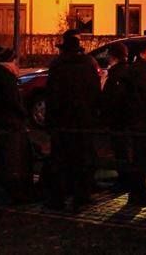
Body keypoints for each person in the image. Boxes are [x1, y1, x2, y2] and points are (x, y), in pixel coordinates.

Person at [46, 30, 100, 211]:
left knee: (60, 160)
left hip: (61, 119)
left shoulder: (57, 65)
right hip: (83, 119)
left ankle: (57, 198)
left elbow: (51, 94)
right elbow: (94, 92)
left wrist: (50, 119)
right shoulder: (87, 64)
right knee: (82, 159)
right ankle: (81, 196)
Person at [0, 45, 31, 203]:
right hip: (10, 123)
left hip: (1, 122)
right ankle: (14, 190)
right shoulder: (6, 76)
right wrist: (23, 114)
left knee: (3, 156)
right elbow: (12, 101)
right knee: (12, 157)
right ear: (11, 61)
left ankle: (1, 185)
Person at [124, 42, 146, 206]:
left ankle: (136, 193)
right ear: (142, 54)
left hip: (136, 119)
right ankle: (139, 193)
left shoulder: (134, 70)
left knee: (138, 157)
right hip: (143, 120)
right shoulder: (144, 72)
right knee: (141, 158)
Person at [101, 41, 133, 194]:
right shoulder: (126, 71)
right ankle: (125, 179)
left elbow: (112, 98)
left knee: (121, 151)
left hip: (118, 119)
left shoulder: (117, 74)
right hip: (124, 118)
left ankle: (124, 180)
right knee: (123, 151)